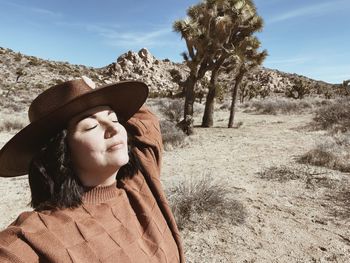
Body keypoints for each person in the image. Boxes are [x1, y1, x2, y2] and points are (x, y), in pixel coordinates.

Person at [0, 77, 185, 263]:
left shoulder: (141, 181)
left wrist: (95, 90)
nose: (113, 128)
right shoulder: (37, 236)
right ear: (61, 151)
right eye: (91, 126)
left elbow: (147, 120)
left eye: (114, 118)